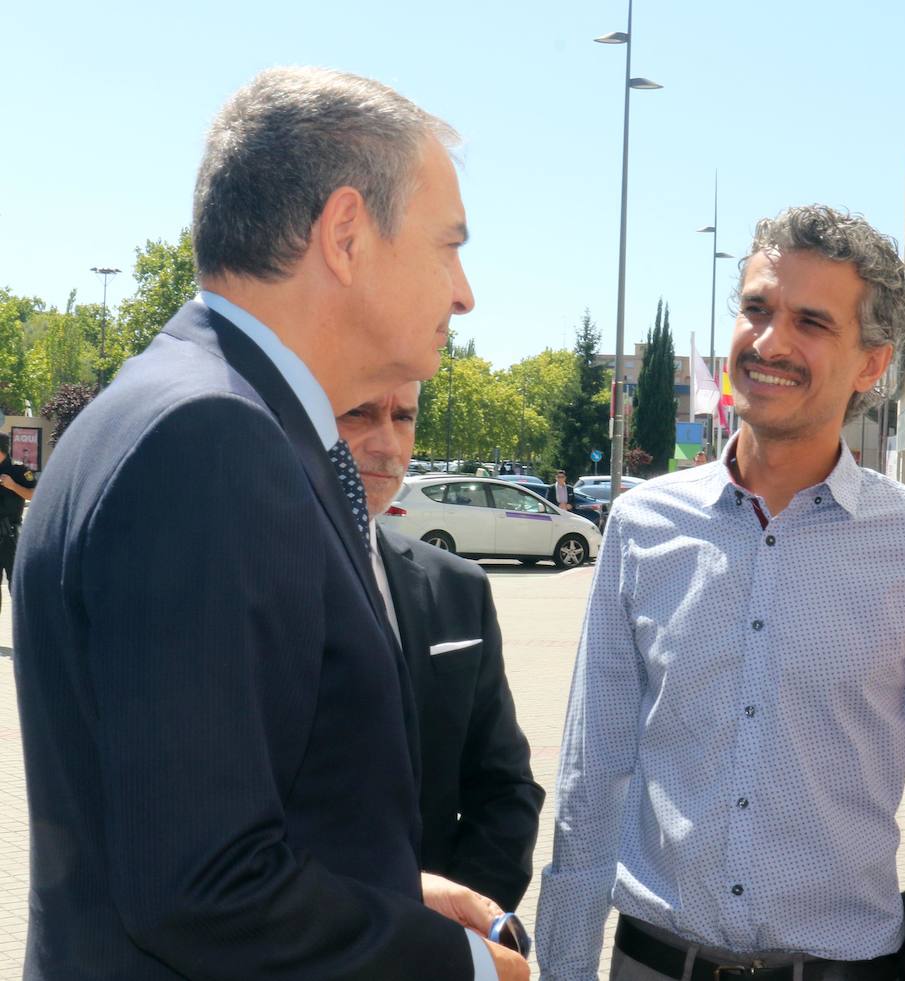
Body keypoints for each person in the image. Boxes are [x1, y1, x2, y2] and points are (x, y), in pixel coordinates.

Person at [13, 67, 527, 980]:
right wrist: (472, 968)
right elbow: (203, 886)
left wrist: (389, 885)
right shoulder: (210, 440)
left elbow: (218, 803)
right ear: (345, 235)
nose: (464, 291)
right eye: (448, 245)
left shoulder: (194, 409)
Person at [537, 205, 905, 980]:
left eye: (812, 322)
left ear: (872, 364)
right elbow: (593, 778)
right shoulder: (642, 525)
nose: (770, 342)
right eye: (757, 309)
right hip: (652, 963)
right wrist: (561, 966)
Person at [337, 380, 544, 911]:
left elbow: (504, 789)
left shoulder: (457, 587)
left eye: (403, 417)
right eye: (358, 413)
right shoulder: (252, 581)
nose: (387, 444)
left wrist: (459, 926)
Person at [0, 433, 35, 606]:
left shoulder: (18, 469)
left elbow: (35, 494)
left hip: (10, 536)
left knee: (17, 586)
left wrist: (13, 485)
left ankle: (24, 628)